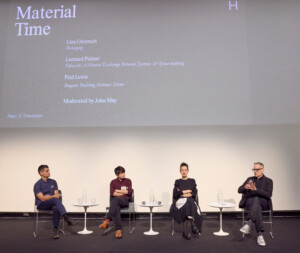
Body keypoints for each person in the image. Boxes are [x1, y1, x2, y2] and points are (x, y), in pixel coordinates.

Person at [33, 165, 77, 239]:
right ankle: (68, 218)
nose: (49, 172)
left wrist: (49, 196)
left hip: (52, 203)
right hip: (42, 205)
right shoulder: (37, 185)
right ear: (41, 173)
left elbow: (57, 194)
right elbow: (42, 199)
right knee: (55, 200)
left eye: (49, 170)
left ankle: (56, 229)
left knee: (56, 207)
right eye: (47, 171)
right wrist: (52, 196)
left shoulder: (53, 182)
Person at [238, 162, 273, 246]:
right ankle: (260, 235)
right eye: (254, 169)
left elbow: (268, 194)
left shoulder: (269, 181)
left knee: (257, 200)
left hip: (264, 203)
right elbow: (239, 190)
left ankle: (249, 224)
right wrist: (244, 187)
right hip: (250, 202)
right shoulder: (249, 179)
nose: (255, 171)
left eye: (257, 169)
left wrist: (256, 190)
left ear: (262, 170)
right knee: (257, 205)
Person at [170, 162, 202, 240]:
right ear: (180, 171)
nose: (184, 171)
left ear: (188, 171)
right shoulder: (177, 181)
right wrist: (186, 191)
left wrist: (182, 193)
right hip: (180, 203)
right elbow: (176, 193)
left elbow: (194, 192)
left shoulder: (192, 181)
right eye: (182, 170)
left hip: (189, 202)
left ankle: (185, 231)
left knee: (188, 202)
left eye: (185, 170)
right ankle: (193, 225)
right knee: (188, 202)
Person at [99, 166, 132, 238]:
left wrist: (117, 191)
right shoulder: (113, 182)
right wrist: (123, 193)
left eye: (124, 172)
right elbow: (112, 193)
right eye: (121, 173)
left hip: (124, 201)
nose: (124, 174)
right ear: (117, 175)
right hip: (116, 202)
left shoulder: (128, 181)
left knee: (116, 200)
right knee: (116, 206)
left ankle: (107, 220)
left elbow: (128, 192)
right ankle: (118, 230)